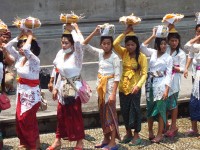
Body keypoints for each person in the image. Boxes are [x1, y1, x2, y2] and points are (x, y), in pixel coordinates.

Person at [82, 24, 121, 150]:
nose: (106, 46)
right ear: (101, 44)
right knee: (102, 114)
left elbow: (117, 77)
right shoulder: (100, 54)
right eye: (104, 43)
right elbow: (84, 45)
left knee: (111, 114)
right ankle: (106, 138)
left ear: (111, 44)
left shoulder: (115, 58)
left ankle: (113, 142)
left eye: (108, 43)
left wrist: (113, 94)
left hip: (109, 89)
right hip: (101, 88)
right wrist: (94, 32)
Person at [47, 23, 85, 150]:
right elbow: (59, 72)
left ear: (72, 43)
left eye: (66, 43)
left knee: (75, 115)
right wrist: (56, 87)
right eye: (62, 42)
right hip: (62, 87)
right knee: (60, 115)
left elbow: (79, 43)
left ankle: (80, 142)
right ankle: (58, 140)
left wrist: (73, 30)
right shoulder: (61, 54)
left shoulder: (77, 55)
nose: (63, 45)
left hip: (74, 89)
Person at [4, 29, 41, 149]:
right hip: (21, 93)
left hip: (31, 95)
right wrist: (19, 36)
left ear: (31, 47)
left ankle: (32, 145)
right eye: (19, 46)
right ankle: (29, 142)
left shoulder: (35, 60)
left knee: (26, 120)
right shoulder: (20, 59)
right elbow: (8, 46)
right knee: (21, 120)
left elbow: (26, 49)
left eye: (23, 46)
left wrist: (29, 35)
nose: (21, 48)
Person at [113, 25, 148, 146]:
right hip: (123, 87)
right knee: (125, 110)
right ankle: (128, 133)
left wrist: (138, 86)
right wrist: (124, 32)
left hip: (134, 88)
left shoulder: (141, 57)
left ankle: (137, 135)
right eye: (128, 44)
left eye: (132, 45)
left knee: (135, 110)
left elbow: (144, 73)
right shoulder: (124, 53)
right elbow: (114, 44)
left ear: (136, 45)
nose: (130, 47)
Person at [140, 26, 173, 143]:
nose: (164, 46)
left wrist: (167, 90)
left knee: (161, 109)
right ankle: (150, 131)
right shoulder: (153, 53)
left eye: (165, 44)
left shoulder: (168, 58)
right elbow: (142, 47)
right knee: (149, 107)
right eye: (162, 44)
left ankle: (160, 134)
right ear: (157, 44)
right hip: (150, 83)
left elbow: (169, 74)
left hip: (161, 83)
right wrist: (153, 35)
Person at [164, 23, 186, 138]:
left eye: (175, 41)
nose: (174, 43)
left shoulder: (181, 53)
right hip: (164, 80)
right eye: (172, 40)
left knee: (173, 104)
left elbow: (183, 69)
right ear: (168, 41)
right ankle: (165, 124)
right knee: (164, 103)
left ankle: (173, 126)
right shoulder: (166, 49)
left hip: (174, 81)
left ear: (178, 41)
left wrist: (173, 68)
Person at [184, 21, 200, 136]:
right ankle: (194, 128)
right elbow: (187, 48)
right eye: (198, 32)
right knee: (194, 101)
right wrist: (186, 68)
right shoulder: (196, 46)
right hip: (196, 75)